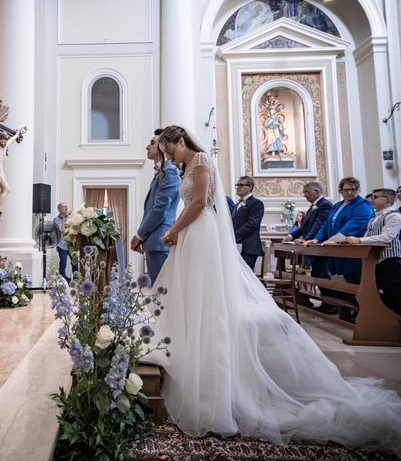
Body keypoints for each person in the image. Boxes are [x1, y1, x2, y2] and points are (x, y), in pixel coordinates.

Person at [144, 125, 401, 454]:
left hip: (199, 232)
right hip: (191, 235)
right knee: (188, 294)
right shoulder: (186, 165)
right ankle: (188, 339)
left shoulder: (203, 160)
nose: (170, 156)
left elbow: (197, 204)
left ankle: (209, 360)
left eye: (170, 149)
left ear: (181, 142)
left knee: (206, 293)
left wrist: (174, 230)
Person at [303, 176, 374, 314]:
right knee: (337, 278)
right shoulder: (337, 205)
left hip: (351, 249)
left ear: (357, 189)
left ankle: (359, 311)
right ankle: (342, 307)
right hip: (335, 247)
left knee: (352, 278)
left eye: (352, 190)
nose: (348, 193)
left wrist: (335, 239)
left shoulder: (363, 205)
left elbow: (354, 225)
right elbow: (326, 224)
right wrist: (317, 239)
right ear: (340, 190)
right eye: (345, 190)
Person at [130, 129, 181, 285]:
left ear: (163, 146)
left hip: (160, 241)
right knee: (158, 293)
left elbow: (159, 211)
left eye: (152, 143)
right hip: (154, 240)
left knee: (162, 293)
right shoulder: (162, 173)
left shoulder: (170, 173)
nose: (147, 146)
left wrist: (139, 236)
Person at [346, 189, 401, 315]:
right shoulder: (373, 218)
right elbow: (367, 236)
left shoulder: (394, 216)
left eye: (375, 197)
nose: (372, 200)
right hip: (374, 262)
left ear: (387, 199)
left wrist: (359, 240)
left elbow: (387, 237)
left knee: (396, 295)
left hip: (390, 261)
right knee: (384, 296)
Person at [231, 176, 264, 270]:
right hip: (236, 246)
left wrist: (234, 235)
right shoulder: (237, 205)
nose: (237, 187)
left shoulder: (256, 203)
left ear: (250, 187)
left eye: (241, 185)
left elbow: (252, 224)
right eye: (237, 185)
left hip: (248, 247)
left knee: (246, 277)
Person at [53, 202, 78, 283]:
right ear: (59, 209)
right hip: (62, 245)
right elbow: (62, 230)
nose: (66, 208)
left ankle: (76, 280)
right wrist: (65, 219)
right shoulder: (56, 220)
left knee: (75, 263)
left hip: (71, 245)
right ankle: (64, 281)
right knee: (63, 264)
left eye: (66, 206)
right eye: (64, 207)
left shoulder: (71, 217)